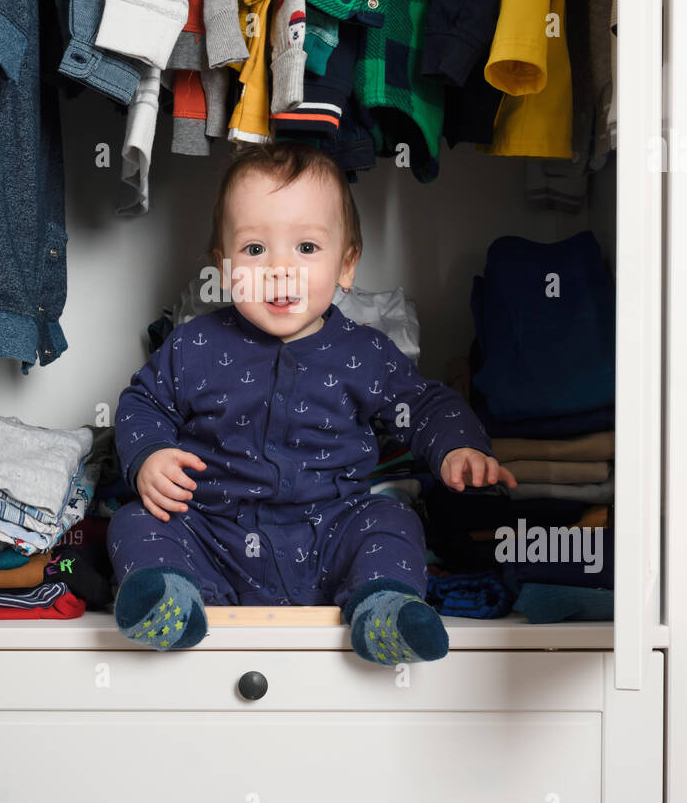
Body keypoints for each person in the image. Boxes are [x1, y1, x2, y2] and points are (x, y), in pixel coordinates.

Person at [108, 143, 516, 664]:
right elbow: (142, 402)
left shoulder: (365, 352)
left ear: (346, 265)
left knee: (394, 521)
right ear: (224, 265)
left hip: (332, 536)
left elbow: (427, 402)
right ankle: (173, 598)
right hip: (213, 533)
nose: (280, 269)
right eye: (255, 250)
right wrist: (150, 455)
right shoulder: (196, 345)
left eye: (306, 248)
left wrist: (459, 446)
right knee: (136, 520)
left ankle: (383, 608)